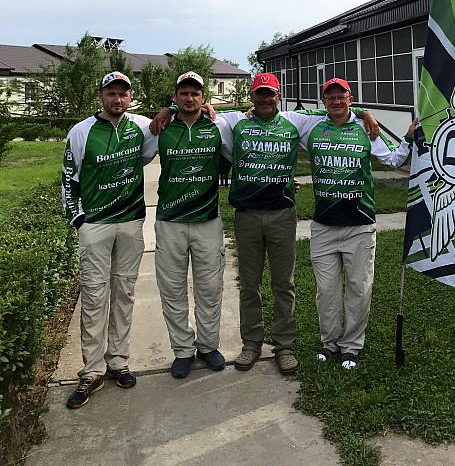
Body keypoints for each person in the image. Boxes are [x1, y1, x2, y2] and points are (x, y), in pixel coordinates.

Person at [151, 72, 378, 376]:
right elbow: (193, 108)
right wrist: (168, 109)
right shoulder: (234, 121)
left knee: (284, 284)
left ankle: (284, 346)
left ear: (278, 96)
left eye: (270, 94)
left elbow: (334, 109)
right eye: (260, 94)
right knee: (250, 284)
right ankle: (252, 343)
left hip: (282, 215)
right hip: (247, 216)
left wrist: (364, 112)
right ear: (252, 96)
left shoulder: (295, 120)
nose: (265, 99)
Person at [301, 77, 417, 370]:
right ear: (323, 102)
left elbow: (393, 160)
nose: (336, 102)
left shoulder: (365, 129)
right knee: (326, 291)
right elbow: (280, 115)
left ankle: (351, 346)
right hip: (324, 225)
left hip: (360, 225)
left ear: (349, 99)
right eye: (330, 97)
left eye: (341, 97)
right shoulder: (313, 126)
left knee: (359, 289)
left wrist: (408, 137)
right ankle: (329, 343)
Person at [61, 72, 157, 409]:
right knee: (94, 296)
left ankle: (118, 361)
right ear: (100, 96)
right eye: (111, 93)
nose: (117, 99)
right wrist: (77, 218)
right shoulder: (81, 131)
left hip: (130, 223)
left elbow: (173, 120)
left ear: (130, 97)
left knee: (124, 293)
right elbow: (68, 178)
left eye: (123, 94)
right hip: (96, 225)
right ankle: (92, 371)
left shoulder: (141, 127)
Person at [155, 71, 233, 378]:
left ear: (204, 98)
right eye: (184, 93)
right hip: (170, 221)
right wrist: (166, 112)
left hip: (207, 220)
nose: (190, 98)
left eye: (195, 93)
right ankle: (183, 350)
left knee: (210, 288)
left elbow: (248, 144)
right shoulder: (160, 128)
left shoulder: (218, 126)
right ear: (174, 98)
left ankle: (208, 346)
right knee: (172, 289)